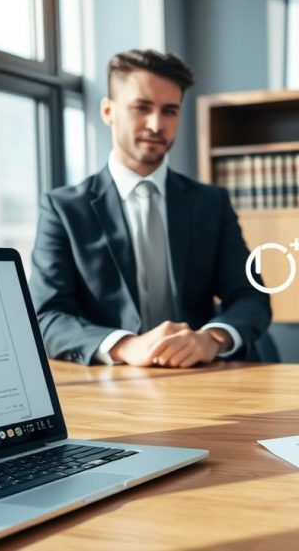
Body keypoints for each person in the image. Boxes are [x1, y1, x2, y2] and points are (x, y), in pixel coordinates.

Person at [30, 49, 270, 367]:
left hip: (200, 375)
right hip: (107, 386)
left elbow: (251, 297)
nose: (157, 124)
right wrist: (125, 346)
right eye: (142, 108)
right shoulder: (63, 209)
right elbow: (46, 315)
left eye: (169, 111)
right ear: (107, 111)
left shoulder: (211, 204)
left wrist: (212, 339)